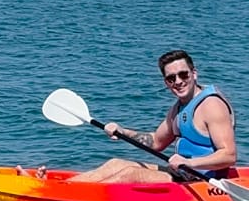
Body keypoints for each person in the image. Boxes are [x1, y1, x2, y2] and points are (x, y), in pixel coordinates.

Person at [69, 49, 236, 184]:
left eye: (183, 75)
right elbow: (156, 142)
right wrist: (122, 131)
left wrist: (190, 163)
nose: (178, 81)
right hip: (182, 174)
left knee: (130, 175)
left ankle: (70, 198)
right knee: (115, 164)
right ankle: (62, 187)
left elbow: (229, 155)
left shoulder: (212, 105)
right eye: (171, 78)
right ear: (166, 82)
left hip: (204, 181)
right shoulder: (178, 109)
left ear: (194, 74)